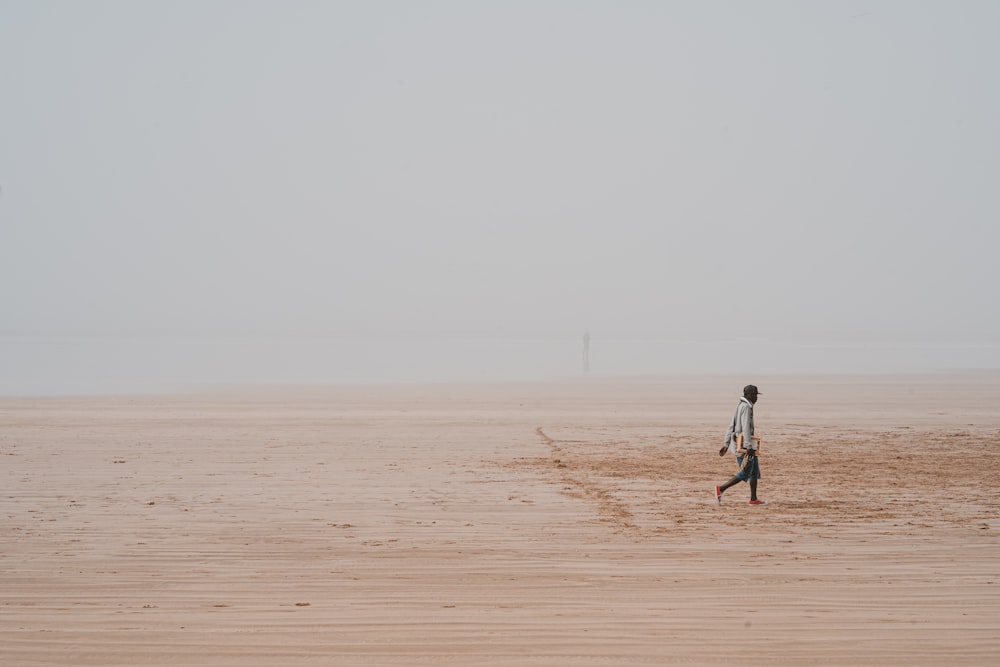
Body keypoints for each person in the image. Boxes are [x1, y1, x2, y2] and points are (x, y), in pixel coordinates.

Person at [715, 384, 766, 505]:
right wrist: (748, 446)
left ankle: (753, 499)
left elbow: (731, 425)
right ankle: (720, 489)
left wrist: (726, 444)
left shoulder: (740, 405)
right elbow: (746, 428)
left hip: (744, 444)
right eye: (754, 395)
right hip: (744, 446)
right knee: (746, 471)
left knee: (754, 471)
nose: (756, 398)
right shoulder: (746, 408)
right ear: (748, 395)